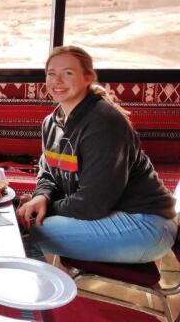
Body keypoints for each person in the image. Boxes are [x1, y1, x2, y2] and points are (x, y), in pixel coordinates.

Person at [16, 45, 176, 263]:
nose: (57, 81)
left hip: (145, 225)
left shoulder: (103, 122)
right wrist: (41, 196)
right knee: (22, 221)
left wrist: (45, 209)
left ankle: (38, 296)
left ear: (88, 78)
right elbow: (48, 175)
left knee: (25, 233)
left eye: (68, 73)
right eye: (51, 73)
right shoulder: (51, 123)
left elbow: (92, 204)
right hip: (107, 215)